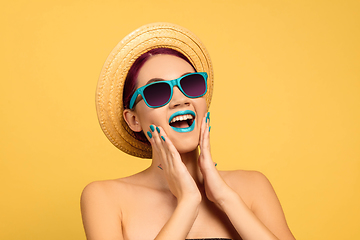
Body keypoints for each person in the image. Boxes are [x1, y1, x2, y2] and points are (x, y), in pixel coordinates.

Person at [81, 22, 296, 240]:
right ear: (134, 120)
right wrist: (188, 201)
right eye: (157, 92)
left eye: (190, 84)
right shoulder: (104, 198)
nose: (180, 99)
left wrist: (225, 198)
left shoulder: (252, 186)